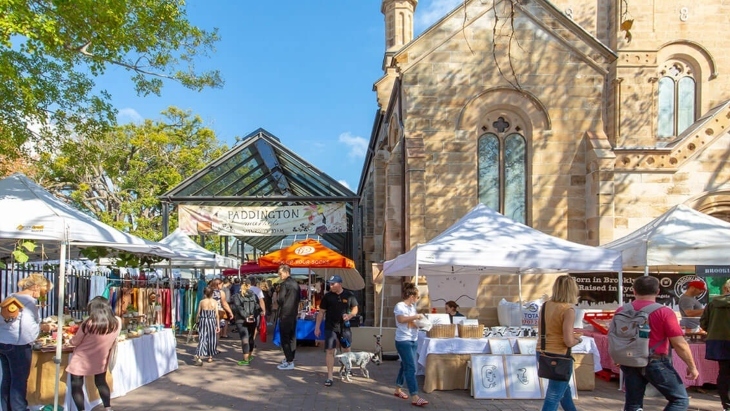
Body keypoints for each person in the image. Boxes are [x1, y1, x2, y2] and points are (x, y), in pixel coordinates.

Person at [620, 275, 699, 411]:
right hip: (655, 361)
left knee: (633, 403)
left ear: (634, 291)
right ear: (657, 292)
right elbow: (680, 343)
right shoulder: (664, 312)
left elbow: (616, 336)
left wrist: (618, 356)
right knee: (679, 400)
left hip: (629, 360)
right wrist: (691, 366)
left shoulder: (621, 310)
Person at [0, 273, 55, 411]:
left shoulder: (11, 297)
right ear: (36, 287)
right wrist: (43, 328)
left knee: (8, 380)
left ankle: (7, 408)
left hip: (3, 341)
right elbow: (26, 328)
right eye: (45, 290)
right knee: (18, 382)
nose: (45, 294)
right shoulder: (28, 302)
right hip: (18, 345)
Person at [66, 296, 121, 411]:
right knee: (101, 382)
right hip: (101, 358)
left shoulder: (88, 323)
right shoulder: (116, 322)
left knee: (76, 386)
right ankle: (108, 407)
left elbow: (75, 341)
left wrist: (68, 340)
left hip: (81, 359)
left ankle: (81, 409)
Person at [538, 275, 582, 411]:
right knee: (554, 396)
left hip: (542, 350)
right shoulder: (567, 310)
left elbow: (541, 330)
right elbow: (568, 341)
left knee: (564, 391)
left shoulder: (546, 305)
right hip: (559, 355)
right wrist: (578, 339)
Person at [314, 274, 359, 387]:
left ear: (340, 284)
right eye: (330, 283)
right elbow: (321, 312)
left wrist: (350, 315)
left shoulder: (349, 295)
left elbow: (355, 308)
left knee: (346, 349)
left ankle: (347, 370)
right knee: (330, 351)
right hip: (330, 327)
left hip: (344, 327)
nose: (331, 285)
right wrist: (317, 327)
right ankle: (330, 376)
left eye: (333, 284)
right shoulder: (327, 296)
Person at [393, 282, 429, 406]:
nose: (417, 299)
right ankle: (414, 396)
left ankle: (398, 389)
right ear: (411, 296)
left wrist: (421, 324)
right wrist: (415, 317)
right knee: (411, 367)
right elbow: (401, 319)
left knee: (405, 365)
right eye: (417, 297)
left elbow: (410, 323)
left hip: (412, 339)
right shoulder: (400, 306)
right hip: (403, 340)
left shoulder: (412, 308)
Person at [700, 278, 730, 411]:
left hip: (718, 342)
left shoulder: (713, 303)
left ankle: (726, 405)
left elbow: (703, 323)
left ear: (726, 288)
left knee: (724, 372)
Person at [230, 278, 262, 366]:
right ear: (249, 285)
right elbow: (257, 307)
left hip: (241, 320)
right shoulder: (254, 295)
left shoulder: (237, 296)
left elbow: (238, 308)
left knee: (245, 339)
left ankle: (245, 359)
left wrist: (246, 316)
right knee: (251, 338)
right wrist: (252, 315)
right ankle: (249, 356)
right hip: (253, 319)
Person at [277, 264, 300, 370]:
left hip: (285, 313)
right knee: (292, 337)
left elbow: (280, 299)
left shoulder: (284, 284)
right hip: (293, 313)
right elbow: (299, 299)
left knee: (285, 338)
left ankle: (289, 361)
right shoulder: (296, 284)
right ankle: (290, 358)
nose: (279, 275)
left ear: (286, 272)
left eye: (280, 273)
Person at [194, 286, 220, 365]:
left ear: (204, 293)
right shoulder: (214, 302)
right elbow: (217, 315)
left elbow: (198, 313)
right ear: (212, 293)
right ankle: (210, 356)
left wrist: (196, 322)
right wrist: (218, 325)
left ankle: (198, 355)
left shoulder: (202, 302)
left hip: (203, 320)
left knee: (202, 337)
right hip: (211, 321)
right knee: (211, 338)